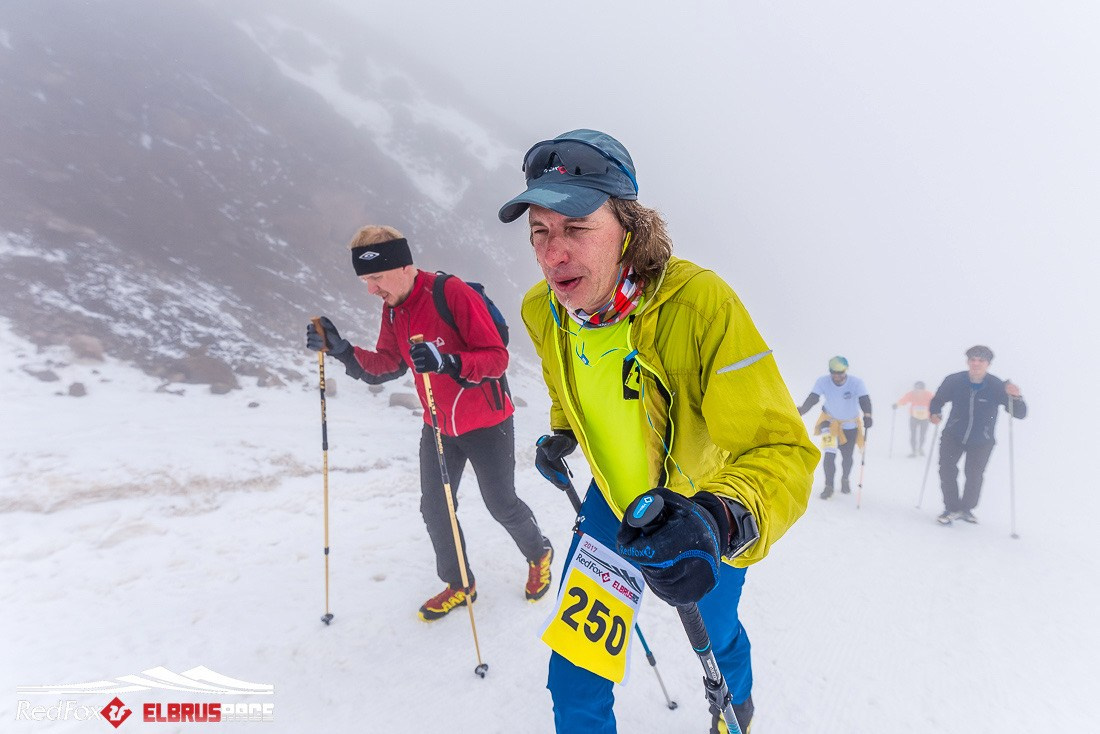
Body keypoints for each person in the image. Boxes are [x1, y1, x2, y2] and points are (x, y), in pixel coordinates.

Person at [499, 129, 818, 734]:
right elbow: (566, 383)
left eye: (575, 228)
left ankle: (736, 714)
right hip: (608, 510)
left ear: (629, 226)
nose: (552, 253)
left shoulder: (699, 305)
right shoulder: (544, 311)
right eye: (540, 231)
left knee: (717, 635)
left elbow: (782, 448)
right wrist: (563, 434)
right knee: (574, 677)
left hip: (697, 512)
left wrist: (720, 517)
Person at [305, 225, 553, 620]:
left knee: (501, 504)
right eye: (365, 280)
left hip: (488, 422)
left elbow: (495, 358)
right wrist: (342, 351)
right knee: (435, 509)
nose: (371, 289)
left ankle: (539, 553)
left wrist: (449, 362)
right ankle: (460, 584)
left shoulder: (451, 293)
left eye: (375, 278)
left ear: (403, 267)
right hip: (438, 426)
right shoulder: (393, 308)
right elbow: (386, 366)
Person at [929, 345, 1026, 526]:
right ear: (967, 361)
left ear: (988, 364)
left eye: (981, 360)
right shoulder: (954, 380)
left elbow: (1019, 413)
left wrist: (1016, 397)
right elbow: (937, 400)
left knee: (974, 475)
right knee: (946, 469)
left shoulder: (997, 385)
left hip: (982, 440)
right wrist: (934, 413)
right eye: (972, 360)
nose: (976, 363)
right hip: (953, 434)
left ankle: (967, 508)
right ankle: (951, 507)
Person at [796, 356, 873, 499]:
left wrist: (868, 416)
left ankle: (845, 479)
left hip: (850, 426)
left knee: (847, 457)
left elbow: (864, 400)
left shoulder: (856, 383)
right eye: (834, 372)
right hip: (829, 423)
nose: (837, 376)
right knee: (829, 455)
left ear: (846, 371)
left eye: (840, 372)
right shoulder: (823, 381)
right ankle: (829, 486)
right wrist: (802, 410)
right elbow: (813, 398)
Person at [894, 381, 934, 457]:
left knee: (922, 435)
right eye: (916, 388)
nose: (917, 391)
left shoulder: (928, 395)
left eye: (919, 389)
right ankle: (914, 451)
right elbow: (904, 400)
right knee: (913, 434)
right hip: (914, 417)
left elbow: (935, 402)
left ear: (923, 389)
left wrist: (935, 412)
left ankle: (920, 448)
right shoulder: (911, 394)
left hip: (925, 418)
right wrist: (897, 405)